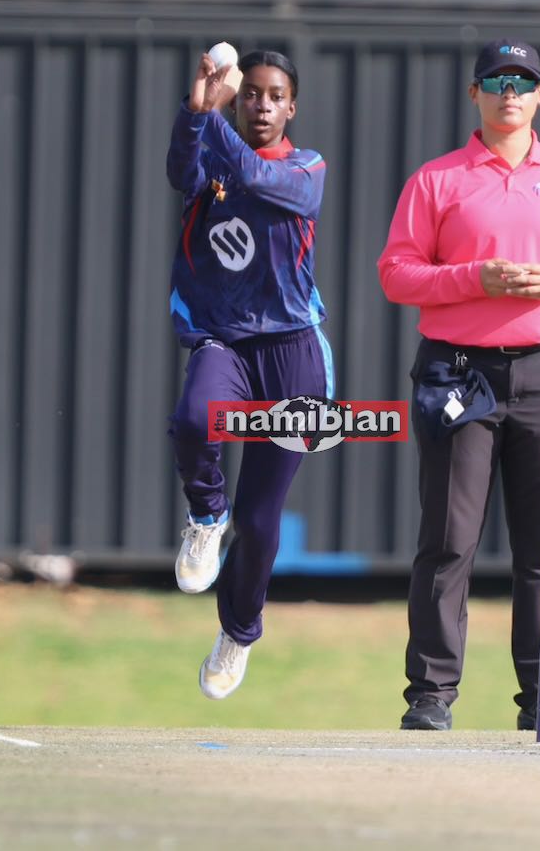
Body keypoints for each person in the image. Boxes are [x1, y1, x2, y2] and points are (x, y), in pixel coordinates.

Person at [377, 39, 540, 731]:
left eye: (522, 82)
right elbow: (396, 272)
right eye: (495, 81)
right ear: (475, 94)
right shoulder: (438, 180)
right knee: (449, 537)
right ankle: (431, 694)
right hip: (459, 370)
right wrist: (474, 278)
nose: (508, 93)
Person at [165, 49, 332, 700]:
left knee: (261, 524)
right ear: (240, 100)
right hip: (224, 339)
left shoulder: (306, 168)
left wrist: (214, 117)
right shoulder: (211, 157)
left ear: (291, 107)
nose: (262, 105)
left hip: (292, 352)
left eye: (275, 96)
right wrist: (195, 111)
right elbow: (181, 169)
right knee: (195, 418)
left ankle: (238, 631)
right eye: (252, 94)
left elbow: (258, 178)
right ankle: (206, 514)